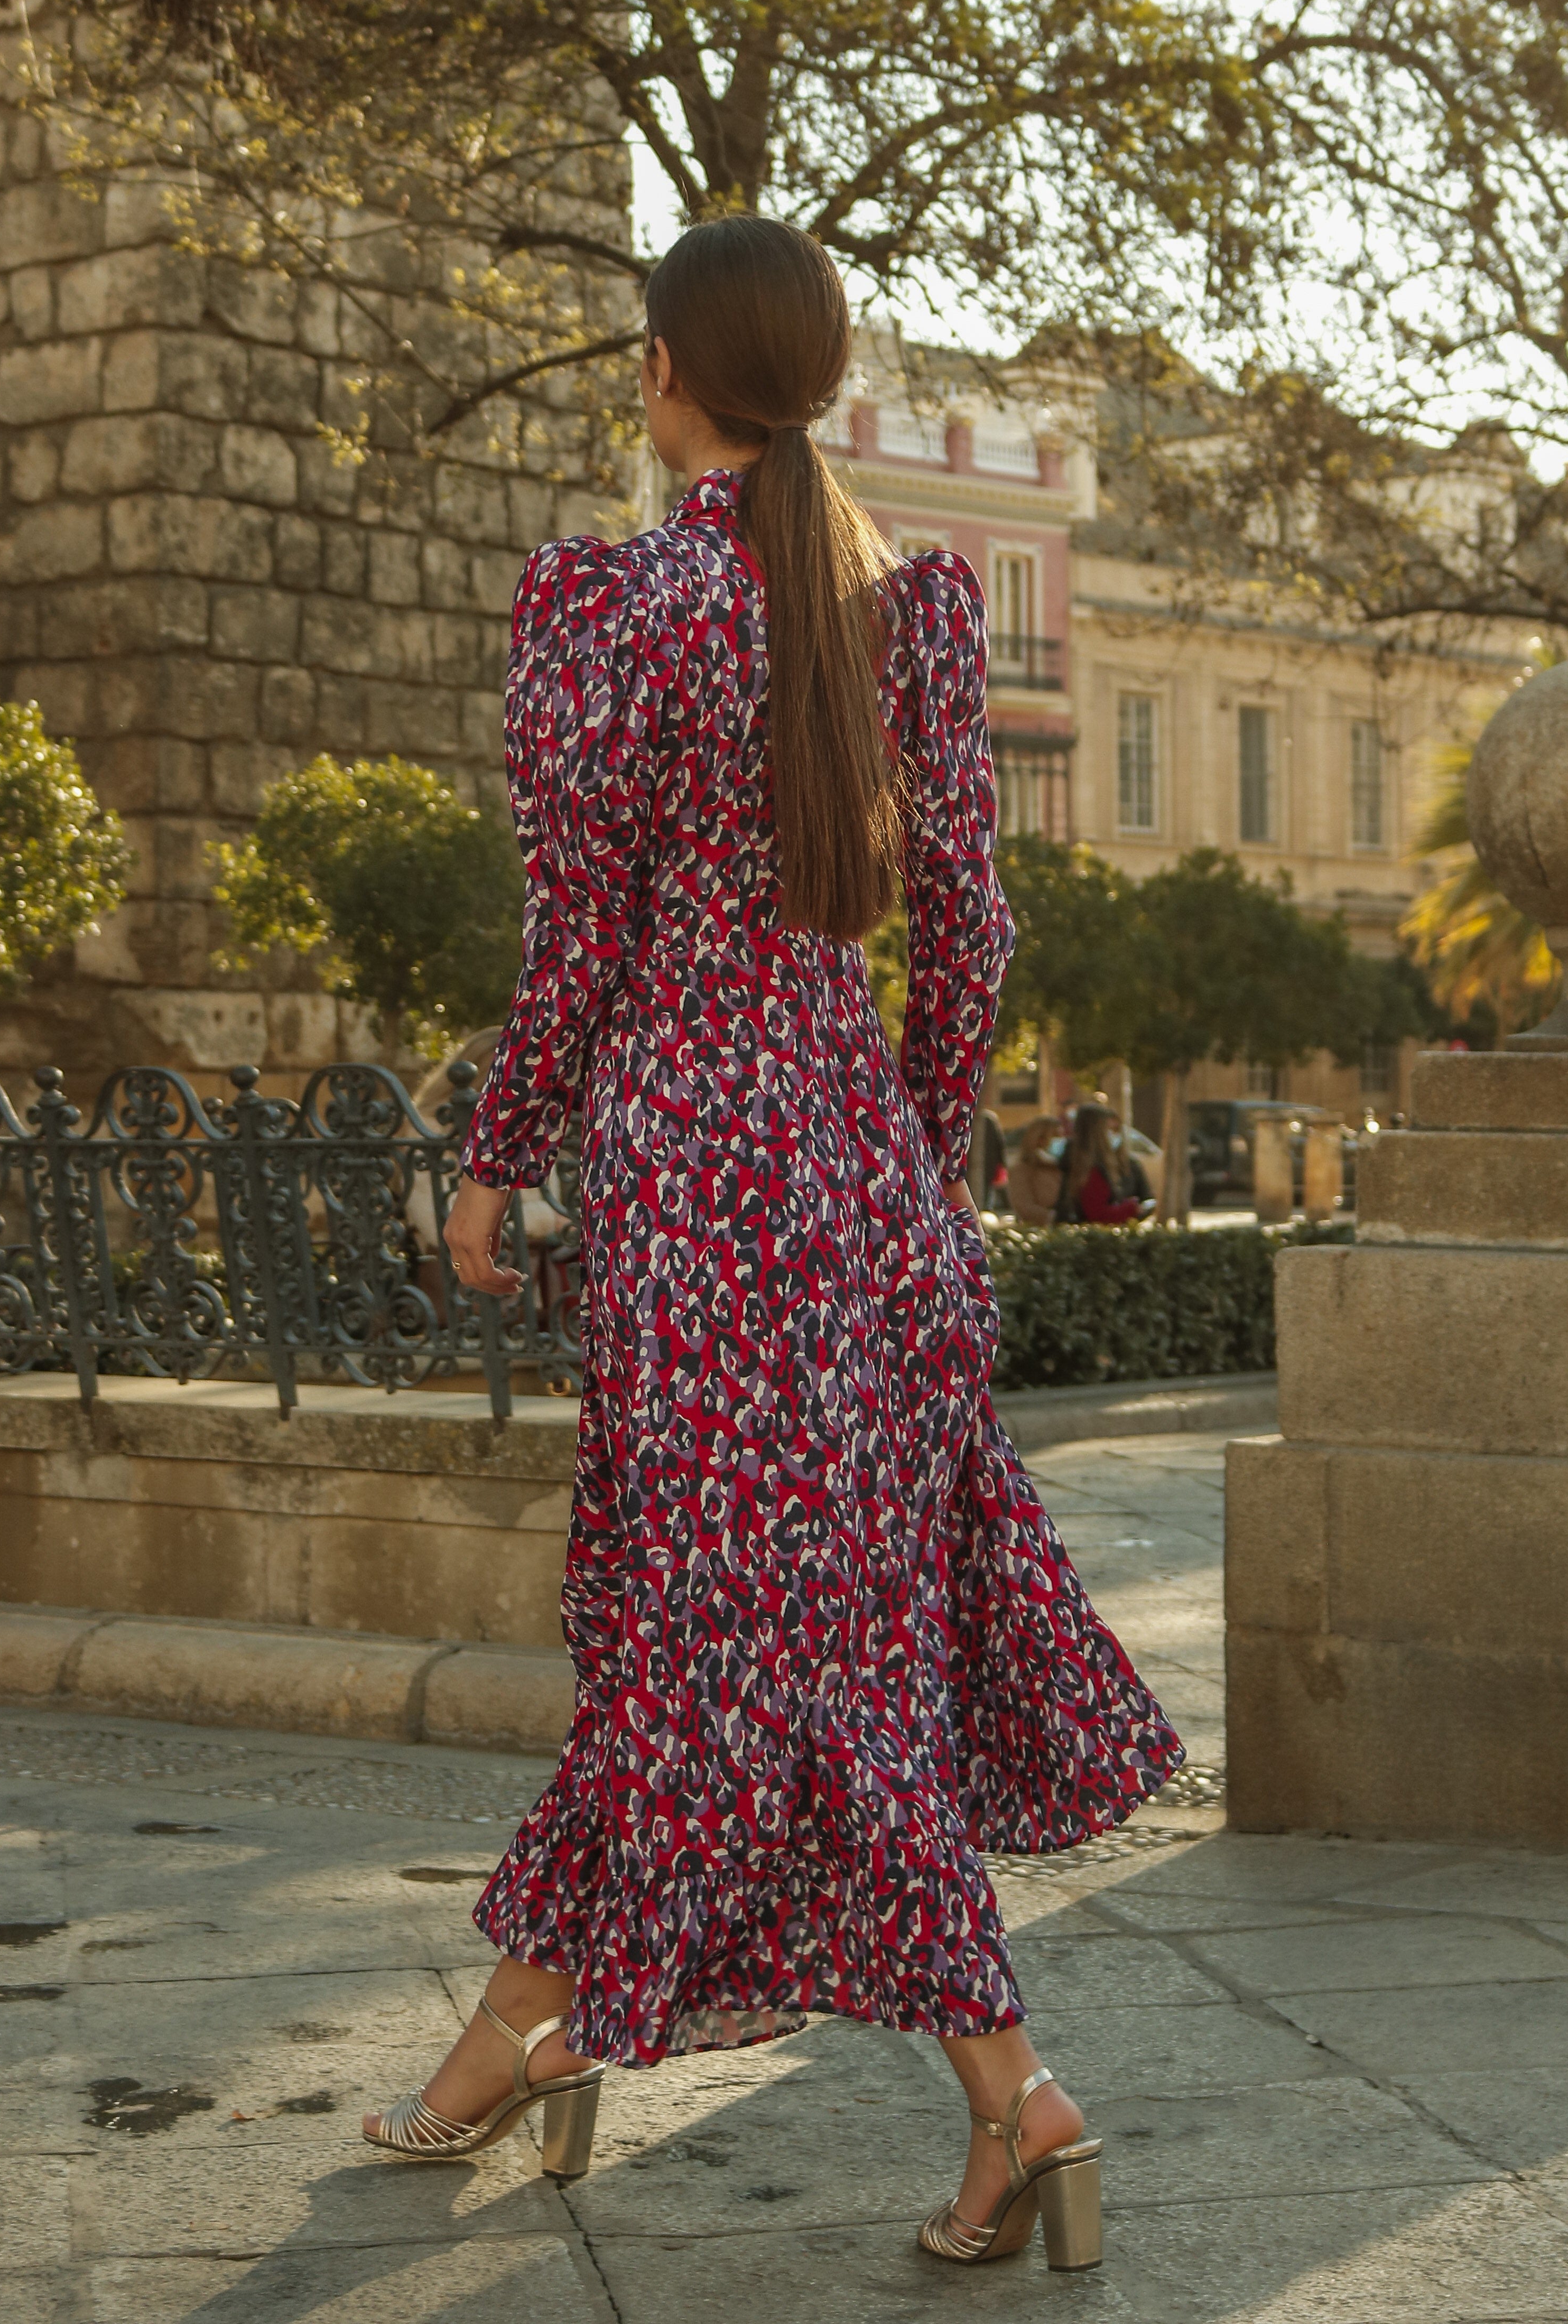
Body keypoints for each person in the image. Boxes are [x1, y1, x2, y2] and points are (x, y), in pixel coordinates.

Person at [363, 215, 1183, 2272]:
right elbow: (971, 938)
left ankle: (1015, 2091)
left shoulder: (607, 603)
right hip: (859, 1183)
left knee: (764, 1654)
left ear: (664, 375)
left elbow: (581, 939)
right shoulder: (903, 613)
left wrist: (496, 1151)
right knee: (711, 1636)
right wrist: (900, 1160)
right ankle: (512, 2039)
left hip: (692, 1190)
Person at [1053, 1103, 1156, 1227]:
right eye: (1108, 1129)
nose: (1111, 1135)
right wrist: (1130, 1208)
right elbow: (1098, 1214)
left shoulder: (1077, 1161)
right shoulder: (1090, 1168)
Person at [1004, 1113, 1070, 1228]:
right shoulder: (1022, 1169)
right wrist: (1054, 1218)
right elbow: (1024, 1206)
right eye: (1056, 1137)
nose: (1061, 1142)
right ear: (1040, 1139)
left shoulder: (1062, 1167)